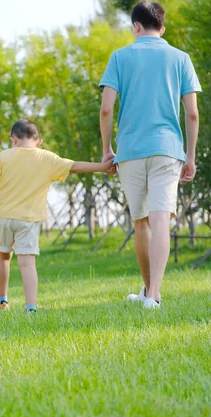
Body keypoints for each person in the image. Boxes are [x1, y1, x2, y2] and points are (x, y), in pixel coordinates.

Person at [99, 2, 201, 309]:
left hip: (130, 151)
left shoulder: (120, 57)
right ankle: (152, 295)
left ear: (136, 26)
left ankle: (149, 291)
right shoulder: (180, 58)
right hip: (168, 149)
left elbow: (106, 109)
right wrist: (190, 156)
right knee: (160, 221)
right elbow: (192, 114)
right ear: (163, 28)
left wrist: (107, 150)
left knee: (141, 222)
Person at [0, 120, 112, 312]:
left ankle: (1, 300)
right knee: (27, 263)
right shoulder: (46, 158)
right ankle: (30, 307)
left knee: (2, 257)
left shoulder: (3, 157)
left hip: (2, 217)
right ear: (38, 141)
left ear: (13, 140)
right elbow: (75, 166)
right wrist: (102, 166)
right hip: (29, 220)